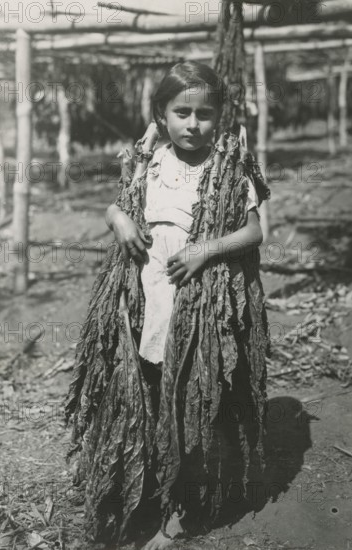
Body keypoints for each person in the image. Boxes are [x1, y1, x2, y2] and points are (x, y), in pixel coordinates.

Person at [65, 61, 270, 550]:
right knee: (144, 393)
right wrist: (119, 220)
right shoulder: (147, 160)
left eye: (204, 113)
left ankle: (181, 511)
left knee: (189, 400)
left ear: (219, 117)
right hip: (145, 297)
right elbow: (118, 205)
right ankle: (139, 495)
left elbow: (255, 231)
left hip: (197, 306)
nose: (193, 124)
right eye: (182, 112)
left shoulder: (229, 167)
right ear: (161, 115)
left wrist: (205, 249)